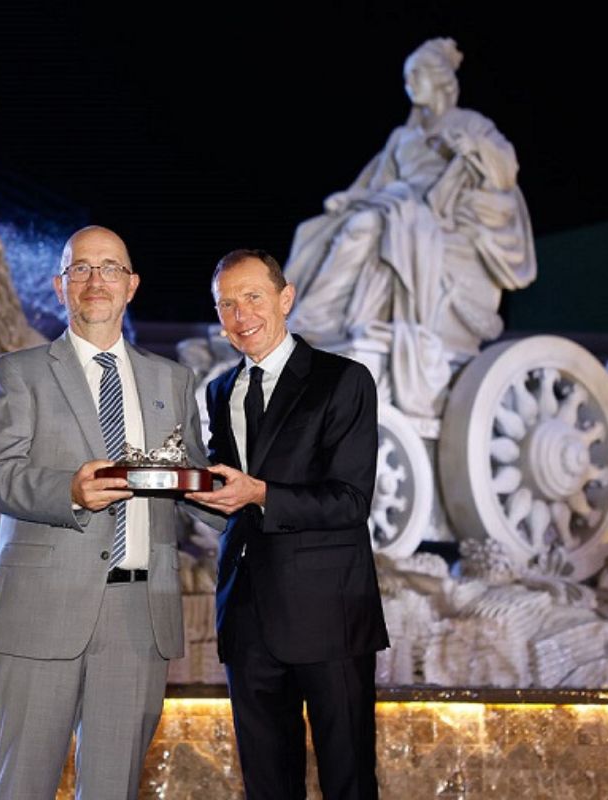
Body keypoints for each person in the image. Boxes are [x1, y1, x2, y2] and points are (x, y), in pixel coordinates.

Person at [0, 226, 216, 798]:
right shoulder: (16, 372)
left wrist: (239, 501)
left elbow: (191, 480)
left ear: (132, 286)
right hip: (38, 613)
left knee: (113, 790)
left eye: (110, 268)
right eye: (80, 268)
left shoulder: (173, 380)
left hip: (139, 617)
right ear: (60, 286)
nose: (95, 280)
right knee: (23, 786)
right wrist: (69, 491)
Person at [186, 249, 388, 799]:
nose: (240, 314)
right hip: (246, 618)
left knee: (348, 782)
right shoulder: (219, 390)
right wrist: (175, 486)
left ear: (285, 298)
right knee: (266, 786)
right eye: (226, 303)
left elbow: (349, 501)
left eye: (252, 297)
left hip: (330, 618)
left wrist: (262, 493)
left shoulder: (343, 381)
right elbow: (229, 500)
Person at [285, 37, 536, 418]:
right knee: (313, 230)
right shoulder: (401, 137)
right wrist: (349, 197)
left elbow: (505, 169)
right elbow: (374, 182)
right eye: (407, 77)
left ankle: (313, 318)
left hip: (439, 219)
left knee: (367, 226)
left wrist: (469, 147)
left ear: (439, 79)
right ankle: (298, 313)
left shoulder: (470, 124)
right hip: (397, 205)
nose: (409, 84)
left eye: (416, 74)